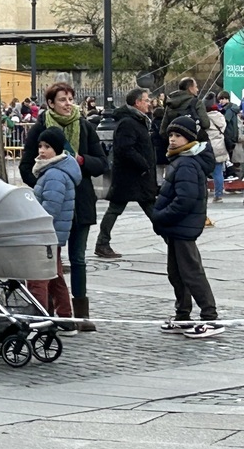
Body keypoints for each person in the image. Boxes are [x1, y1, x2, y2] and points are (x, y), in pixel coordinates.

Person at [19, 82, 106, 332]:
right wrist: (47, 185)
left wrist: (81, 160)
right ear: (50, 104)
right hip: (50, 207)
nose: (68, 104)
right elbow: (26, 166)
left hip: (80, 202)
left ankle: (80, 314)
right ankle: (49, 312)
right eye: (62, 99)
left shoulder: (86, 127)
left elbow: (101, 163)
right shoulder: (40, 129)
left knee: (77, 259)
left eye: (70, 99)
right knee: (49, 261)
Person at [153, 115, 221, 336]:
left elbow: (185, 199)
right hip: (177, 227)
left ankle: (210, 315)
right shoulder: (180, 160)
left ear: (189, 139)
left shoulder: (186, 163)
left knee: (191, 272)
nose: (172, 139)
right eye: (171, 135)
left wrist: (163, 216)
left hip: (182, 226)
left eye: (178, 135)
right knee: (176, 272)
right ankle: (183, 314)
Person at [26, 128, 80, 329]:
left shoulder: (55, 174)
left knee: (38, 277)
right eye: (40, 146)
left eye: (47, 147)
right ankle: (65, 319)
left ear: (57, 150)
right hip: (52, 234)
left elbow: (51, 208)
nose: (41, 150)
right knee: (55, 276)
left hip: (45, 234)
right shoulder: (53, 171)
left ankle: (40, 319)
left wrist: (33, 223)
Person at [95, 88, 158, 259]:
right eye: (146, 100)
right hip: (131, 175)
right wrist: (143, 164)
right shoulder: (128, 122)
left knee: (149, 206)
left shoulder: (139, 120)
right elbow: (125, 148)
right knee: (118, 208)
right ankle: (102, 243)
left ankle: (170, 238)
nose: (149, 102)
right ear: (137, 103)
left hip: (137, 175)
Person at [205, 99, 229, 204]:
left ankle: (203, 193)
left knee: (203, 172)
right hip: (220, 145)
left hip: (209, 146)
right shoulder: (221, 117)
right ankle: (218, 195)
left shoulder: (205, 118)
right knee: (218, 172)